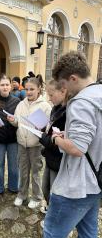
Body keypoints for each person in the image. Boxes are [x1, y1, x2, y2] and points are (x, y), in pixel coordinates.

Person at [44, 51, 102, 238]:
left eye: (63, 85)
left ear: (73, 78)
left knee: (52, 232)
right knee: (88, 231)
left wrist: (56, 138)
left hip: (76, 184)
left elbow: (77, 148)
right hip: (96, 181)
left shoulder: (81, 102)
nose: (64, 90)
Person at [8, 77, 51, 209]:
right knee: (24, 170)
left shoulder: (45, 106)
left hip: (36, 145)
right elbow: (17, 122)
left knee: (35, 172)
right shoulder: (21, 104)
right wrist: (12, 120)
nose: (29, 92)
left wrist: (42, 127)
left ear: (39, 89)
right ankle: (22, 194)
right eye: (27, 89)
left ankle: (37, 197)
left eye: (32, 89)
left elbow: (48, 127)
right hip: (22, 143)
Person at [39, 80, 67, 218]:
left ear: (63, 91)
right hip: (50, 156)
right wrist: (43, 129)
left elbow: (61, 140)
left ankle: (55, 217)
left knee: (55, 192)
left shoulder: (69, 112)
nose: (49, 98)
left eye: (51, 94)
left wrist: (44, 138)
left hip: (59, 160)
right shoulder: (56, 109)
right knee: (45, 188)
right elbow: (51, 130)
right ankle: (50, 209)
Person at [0, 75, 20, 197]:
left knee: (13, 166)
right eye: (2, 85)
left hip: (13, 139)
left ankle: (13, 186)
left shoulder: (16, 102)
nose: (5, 87)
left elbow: (20, 120)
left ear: (11, 86)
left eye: (7, 84)